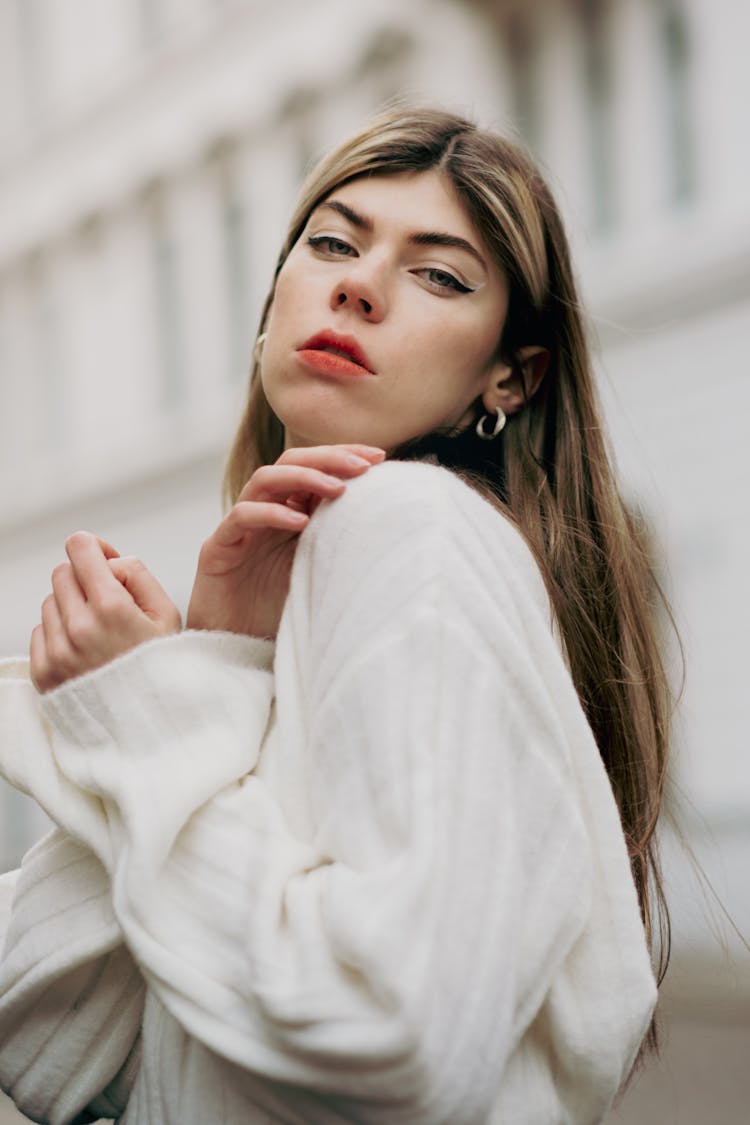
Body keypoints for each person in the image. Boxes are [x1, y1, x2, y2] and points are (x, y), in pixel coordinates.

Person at [0, 106, 672, 1124]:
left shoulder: (414, 526)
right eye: (331, 242)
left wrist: (138, 714)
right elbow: (60, 1042)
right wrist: (217, 668)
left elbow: (396, 1031)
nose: (358, 283)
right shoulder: (335, 571)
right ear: (273, 296)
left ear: (511, 374)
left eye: (439, 274)